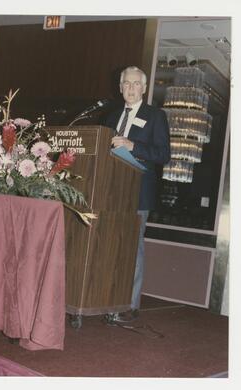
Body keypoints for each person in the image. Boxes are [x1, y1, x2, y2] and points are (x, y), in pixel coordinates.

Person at [105, 66, 171, 322]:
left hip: (138, 194)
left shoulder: (155, 116)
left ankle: (128, 305)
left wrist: (134, 145)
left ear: (144, 89)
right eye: (127, 84)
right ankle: (105, 299)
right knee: (110, 248)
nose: (131, 88)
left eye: (136, 84)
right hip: (110, 193)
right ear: (120, 87)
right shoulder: (110, 118)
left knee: (132, 249)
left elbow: (163, 155)